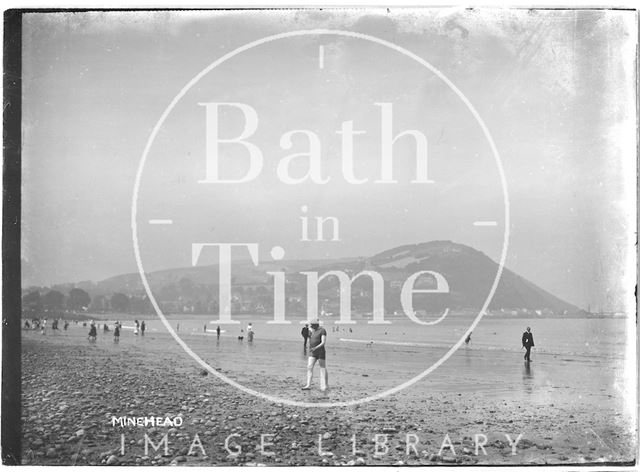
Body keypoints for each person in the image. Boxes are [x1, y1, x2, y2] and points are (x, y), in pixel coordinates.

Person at [302, 319, 328, 392]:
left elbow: (323, 342)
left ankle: (324, 385)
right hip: (312, 352)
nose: (311, 326)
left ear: (315, 325)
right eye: (310, 325)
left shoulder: (322, 330)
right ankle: (308, 385)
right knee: (309, 367)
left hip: (320, 352)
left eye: (312, 325)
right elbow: (305, 334)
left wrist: (315, 348)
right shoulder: (311, 331)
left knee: (322, 368)